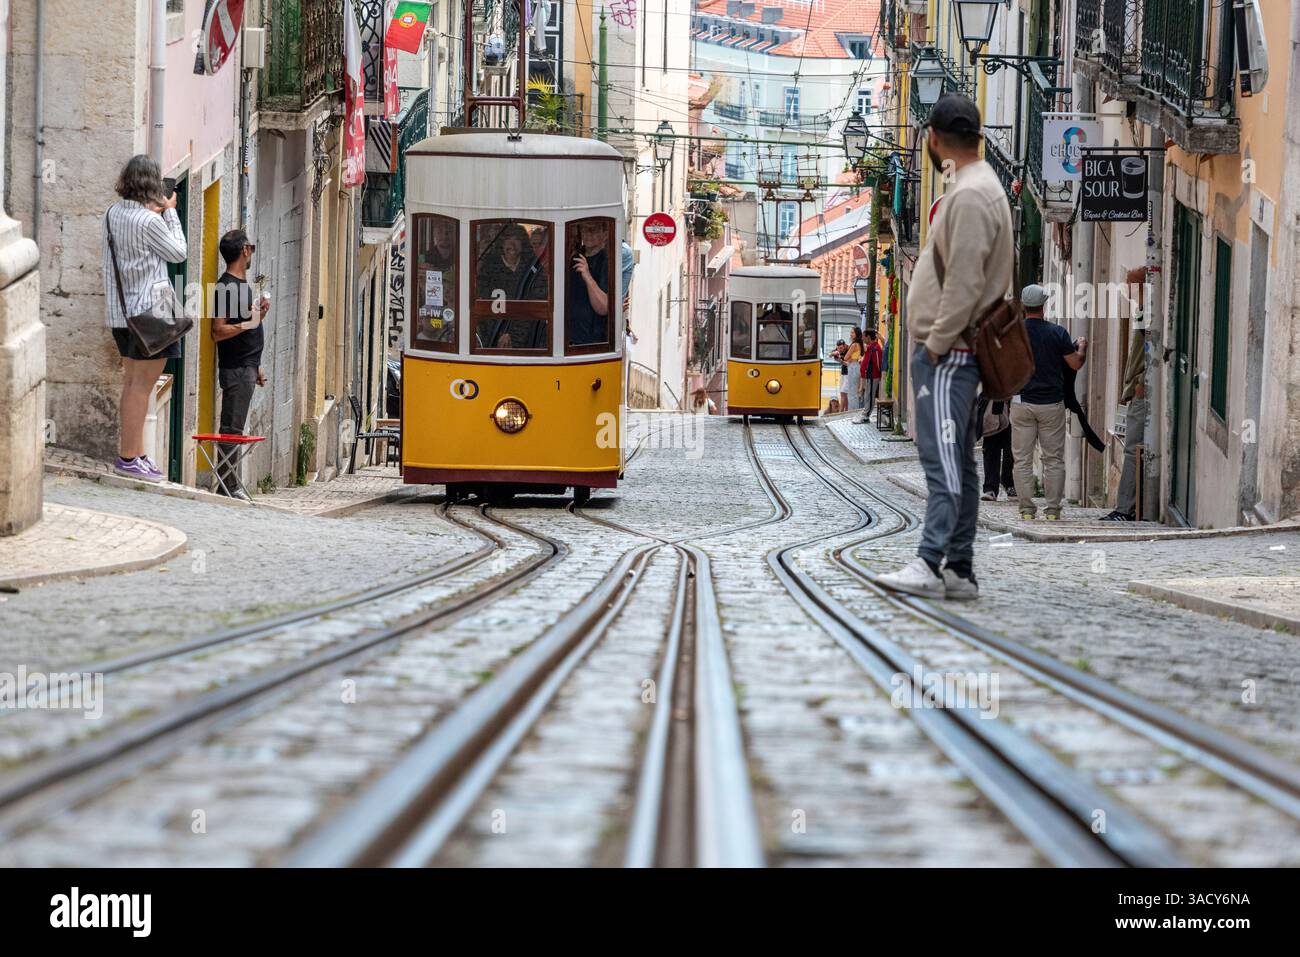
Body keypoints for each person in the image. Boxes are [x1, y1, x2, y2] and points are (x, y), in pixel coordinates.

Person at [876, 93, 1013, 601]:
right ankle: (959, 568)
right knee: (961, 459)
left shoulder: (972, 195)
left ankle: (930, 562)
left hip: (950, 352)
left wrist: (934, 345)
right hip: (954, 350)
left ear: (933, 140)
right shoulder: (977, 187)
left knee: (944, 461)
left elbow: (963, 282)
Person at [102, 154, 188, 482]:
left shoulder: (112, 214)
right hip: (151, 314)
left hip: (120, 314)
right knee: (143, 386)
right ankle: (129, 458)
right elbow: (178, 252)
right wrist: (170, 212)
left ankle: (135, 454)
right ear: (152, 184)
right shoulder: (151, 221)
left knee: (131, 384)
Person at [1009, 283, 1087, 520]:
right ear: (1044, 305)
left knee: (1021, 458)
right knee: (1053, 458)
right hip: (1051, 404)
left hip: (1021, 402)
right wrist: (1081, 348)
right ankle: (1052, 509)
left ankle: (1026, 509)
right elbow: (1075, 364)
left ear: (1023, 306)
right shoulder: (1057, 333)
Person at [210, 229, 269, 499]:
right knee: (232, 429)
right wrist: (251, 322)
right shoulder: (225, 287)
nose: (251, 254)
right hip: (235, 369)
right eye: (251, 248)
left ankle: (229, 484)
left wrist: (255, 362)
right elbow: (218, 331)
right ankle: (228, 487)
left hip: (245, 366)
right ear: (244, 250)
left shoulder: (241, 286)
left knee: (235, 428)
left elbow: (246, 330)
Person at [1102, 266, 1148, 522]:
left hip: (1141, 393)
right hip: (1135, 389)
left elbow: (1149, 352)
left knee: (1132, 449)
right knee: (1133, 447)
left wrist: (1138, 384)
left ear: (1139, 285)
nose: (1124, 287)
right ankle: (1128, 506)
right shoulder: (1142, 310)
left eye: (1128, 282)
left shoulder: (1147, 312)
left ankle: (1124, 509)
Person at [567, 220, 610, 346]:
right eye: (585, 229)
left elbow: (603, 307)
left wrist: (587, 275)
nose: (588, 233)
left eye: (594, 229)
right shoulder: (575, 257)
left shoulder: (607, 261)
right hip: (569, 337)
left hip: (591, 341)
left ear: (605, 234)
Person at [976, 393, 1014, 501]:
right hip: (993, 407)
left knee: (1012, 450)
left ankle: (1010, 483)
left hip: (1014, 406)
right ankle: (990, 488)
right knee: (991, 449)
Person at [854, 328, 884, 423]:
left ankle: (866, 416)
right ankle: (865, 412)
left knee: (870, 396)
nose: (862, 338)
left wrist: (878, 374)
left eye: (864, 336)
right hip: (868, 376)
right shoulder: (870, 348)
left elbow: (878, 363)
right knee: (867, 395)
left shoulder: (875, 349)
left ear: (868, 337)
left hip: (872, 376)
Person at [843, 327, 864, 411]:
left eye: (852, 333)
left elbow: (845, 357)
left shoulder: (854, 345)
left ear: (856, 334)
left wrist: (851, 358)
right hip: (857, 366)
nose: (851, 334)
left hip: (853, 367)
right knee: (855, 391)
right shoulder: (861, 344)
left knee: (852, 392)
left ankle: (852, 412)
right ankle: (855, 410)